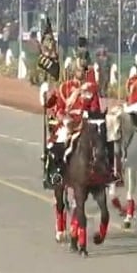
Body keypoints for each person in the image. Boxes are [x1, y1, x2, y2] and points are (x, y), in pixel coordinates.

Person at [41, 60, 102, 189]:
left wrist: (90, 114)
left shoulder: (91, 89)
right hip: (69, 121)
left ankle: (106, 172)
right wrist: (64, 118)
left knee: (101, 141)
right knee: (58, 141)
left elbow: (95, 107)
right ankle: (57, 173)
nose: (82, 72)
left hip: (85, 121)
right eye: (80, 70)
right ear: (74, 71)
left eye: (84, 70)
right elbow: (59, 107)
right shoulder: (65, 87)